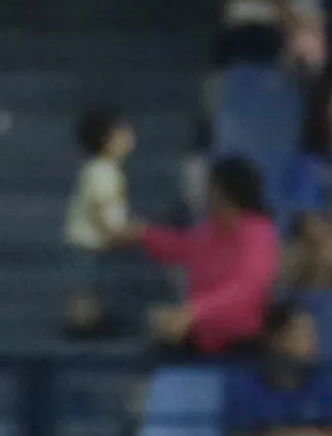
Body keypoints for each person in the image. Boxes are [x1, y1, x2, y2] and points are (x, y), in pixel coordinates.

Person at [129, 156, 278, 356]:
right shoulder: (211, 229)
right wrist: (144, 234)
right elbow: (183, 247)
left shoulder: (259, 234)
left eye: (211, 187)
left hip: (239, 345)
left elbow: (245, 287)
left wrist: (194, 311)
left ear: (224, 193)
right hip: (200, 337)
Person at [217, 301, 332, 436]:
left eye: (313, 334)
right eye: (302, 334)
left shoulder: (325, 380)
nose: (313, 342)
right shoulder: (245, 383)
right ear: (276, 339)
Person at [62, 108, 136, 339]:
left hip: (97, 241)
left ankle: (91, 320)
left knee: (93, 284)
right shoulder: (100, 171)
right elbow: (100, 206)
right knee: (85, 285)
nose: (129, 137)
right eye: (123, 133)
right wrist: (114, 232)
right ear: (107, 140)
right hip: (88, 241)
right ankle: (80, 323)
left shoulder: (108, 170)